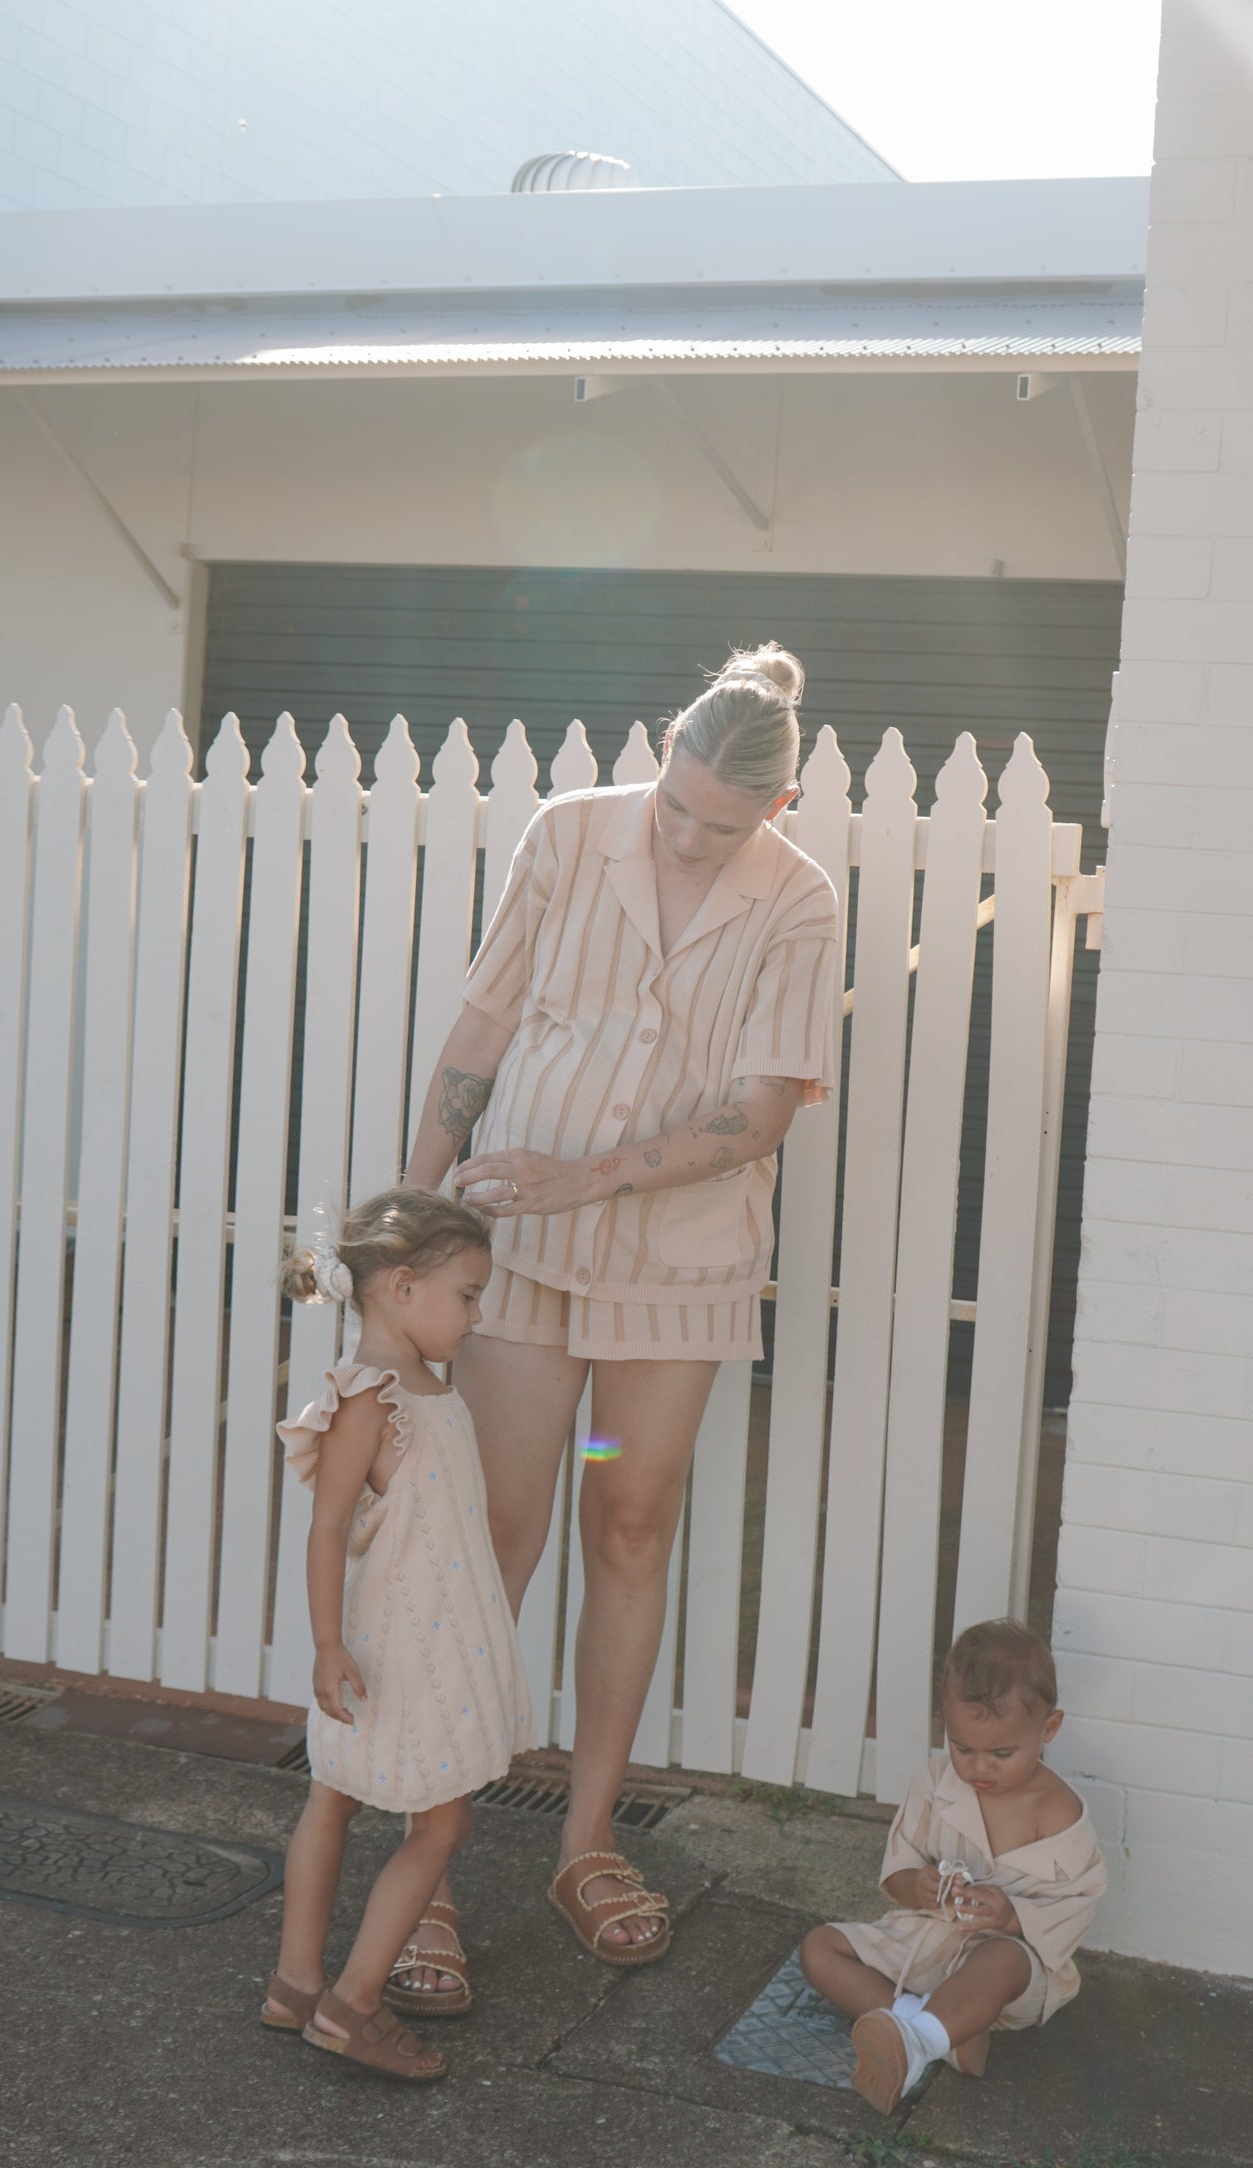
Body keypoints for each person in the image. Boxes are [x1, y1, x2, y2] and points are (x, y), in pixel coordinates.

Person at [401, 644, 839, 1987]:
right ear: (661, 758)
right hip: (519, 1254)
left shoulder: (801, 902)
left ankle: (585, 1839)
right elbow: (477, 1034)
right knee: (500, 1537)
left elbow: (760, 1114)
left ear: (775, 808)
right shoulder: (565, 834)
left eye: (726, 824)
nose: (694, 838)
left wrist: (582, 1179)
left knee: (630, 1526)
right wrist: (410, 1231)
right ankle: (427, 1864)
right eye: (677, 809)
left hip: (678, 1263)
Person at [261, 1188, 532, 2082]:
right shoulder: (369, 1397)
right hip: (399, 1646)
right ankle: (350, 2002)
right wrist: (328, 1645)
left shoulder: (422, 1386)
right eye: (466, 1293)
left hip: (434, 1629)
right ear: (402, 1287)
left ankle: (296, 1986)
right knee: (438, 1820)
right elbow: (328, 1526)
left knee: (333, 1799)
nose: (475, 1312)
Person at [799, 1618, 1108, 2116]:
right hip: (925, 1943)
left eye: (1002, 1753)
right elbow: (898, 1868)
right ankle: (939, 2028)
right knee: (819, 1948)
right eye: (962, 1747)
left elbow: (1076, 1907)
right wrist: (917, 1888)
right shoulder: (935, 1784)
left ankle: (917, 2042)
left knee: (1001, 1958)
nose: (978, 1767)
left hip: (1006, 1979)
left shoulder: (1060, 1814)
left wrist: (1010, 1916)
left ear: (1048, 1729)